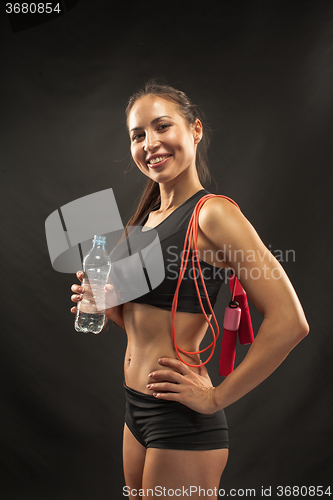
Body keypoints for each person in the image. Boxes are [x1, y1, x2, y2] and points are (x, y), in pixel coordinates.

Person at [70, 80, 309, 499]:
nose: (150, 143)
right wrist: (105, 304)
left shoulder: (212, 214)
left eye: (162, 127)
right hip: (134, 408)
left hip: (179, 416)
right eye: (138, 135)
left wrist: (216, 397)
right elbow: (143, 327)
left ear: (194, 131)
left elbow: (291, 321)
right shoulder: (143, 222)